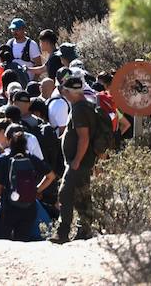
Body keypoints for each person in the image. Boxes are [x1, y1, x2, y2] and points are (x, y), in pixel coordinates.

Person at [52, 72, 103, 243]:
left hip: (78, 161)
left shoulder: (80, 109)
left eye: (64, 90)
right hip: (84, 160)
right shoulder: (86, 105)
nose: (62, 92)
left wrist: (76, 161)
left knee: (65, 193)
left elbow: (84, 137)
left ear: (69, 92)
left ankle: (62, 232)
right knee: (82, 195)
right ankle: (85, 230)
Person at [0, 126, 55, 241]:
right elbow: (51, 176)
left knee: (1, 241)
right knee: (22, 241)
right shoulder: (32, 159)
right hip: (29, 208)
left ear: (9, 141)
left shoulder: (2, 161)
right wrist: (37, 190)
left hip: (7, 208)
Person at [5, 18, 43, 84]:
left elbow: (38, 65)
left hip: (27, 81)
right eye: (13, 30)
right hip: (13, 82)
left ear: (23, 29)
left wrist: (33, 82)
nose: (14, 32)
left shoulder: (31, 44)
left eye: (17, 29)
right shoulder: (9, 43)